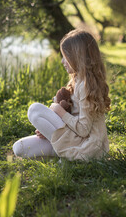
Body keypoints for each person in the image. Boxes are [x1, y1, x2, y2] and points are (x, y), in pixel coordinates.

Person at [13, 29, 111, 161]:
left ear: (78, 57)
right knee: (19, 148)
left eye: (66, 57)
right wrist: (48, 129)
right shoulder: (77, 80)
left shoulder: (85, 86)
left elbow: (83, 130)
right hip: (74, 138)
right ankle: (65, 152)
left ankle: (73, 155)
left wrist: (59, 112)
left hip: (89, 147)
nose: (62, 61)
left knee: (34, 110)